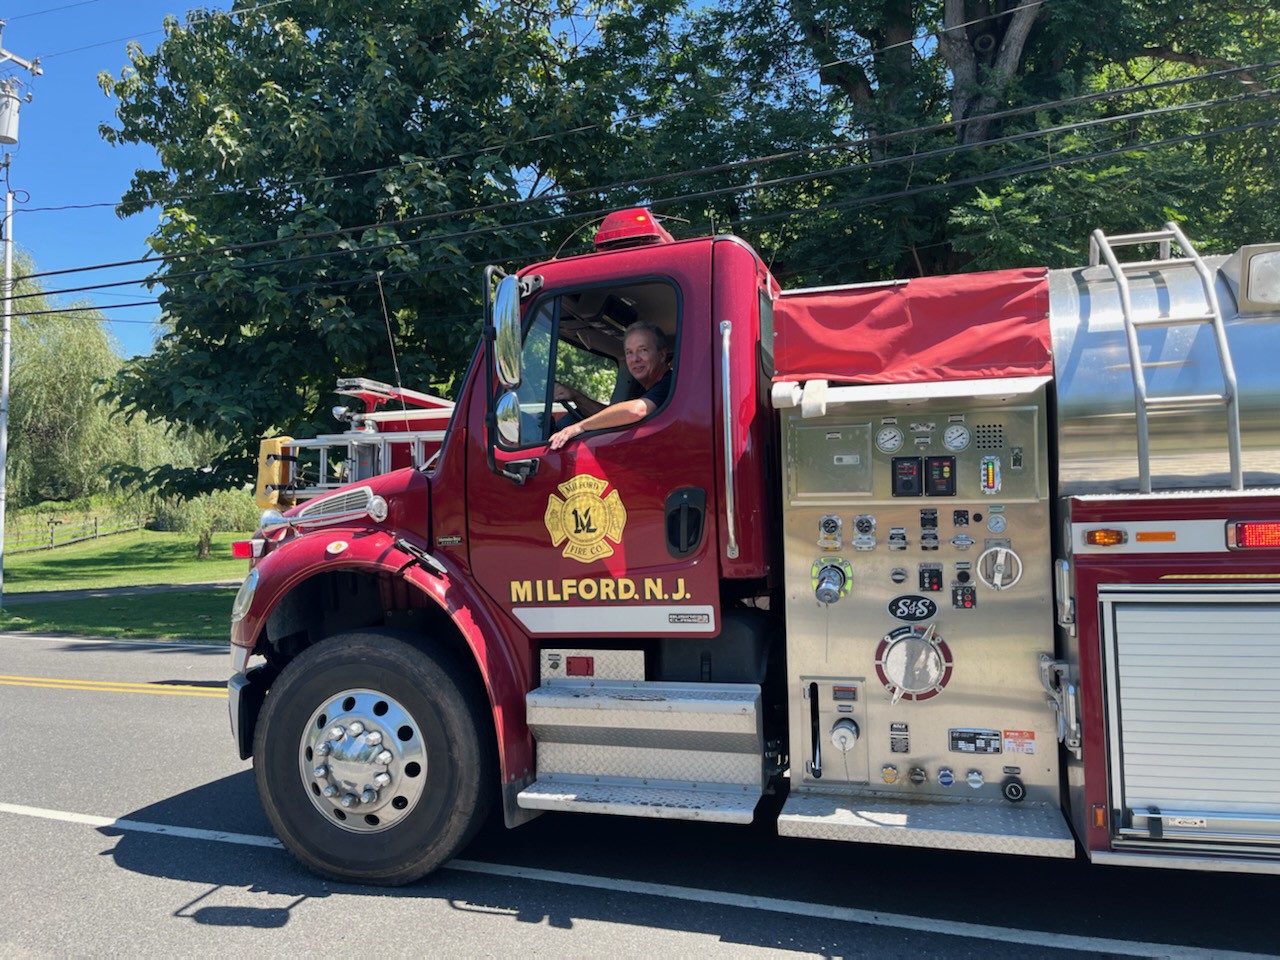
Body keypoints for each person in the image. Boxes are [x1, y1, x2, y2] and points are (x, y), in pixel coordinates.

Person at [548, 320, 672, 450]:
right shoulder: (642, 390)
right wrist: (576, 396)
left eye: (643, 350)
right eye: (629, 352)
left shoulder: (669, 385)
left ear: (662, 354)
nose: (635, 359)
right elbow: (611, 417)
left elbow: (635, 411)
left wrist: (580, 427)